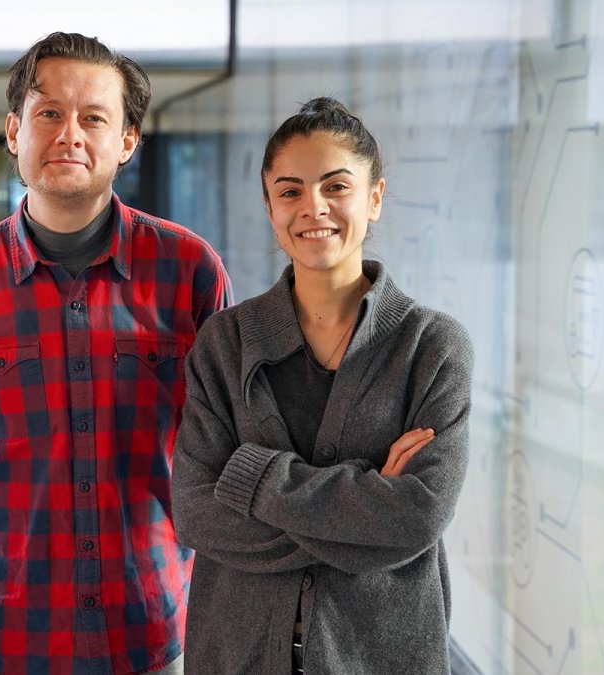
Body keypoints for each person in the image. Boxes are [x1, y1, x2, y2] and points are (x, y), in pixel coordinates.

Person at [0, 32, 232, 675]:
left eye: (94, 117)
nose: (69, 134)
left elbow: (216, 445)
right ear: (12, 130)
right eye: (48, 112)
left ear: (128, 141)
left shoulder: (190, 272)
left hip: (145, 619)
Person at [171, 97, 473, 674]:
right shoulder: (225, 343)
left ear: (375, 197)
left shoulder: (431, 347)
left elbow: (417, 516)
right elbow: (195, 512)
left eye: (337, 186)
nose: (314, 207)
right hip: (237, 654)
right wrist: (365, 507)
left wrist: (251, 475)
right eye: (290, 191)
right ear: (269, 205)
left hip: (382, 657)